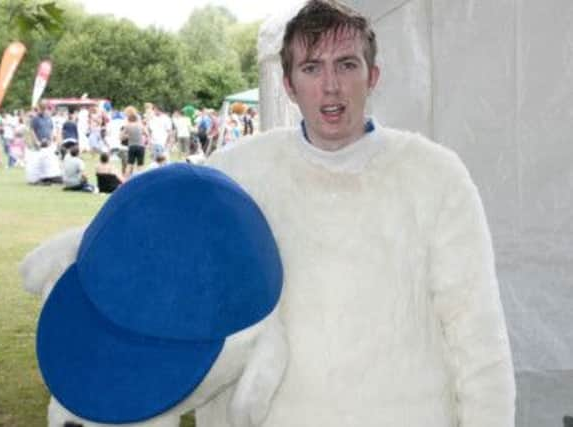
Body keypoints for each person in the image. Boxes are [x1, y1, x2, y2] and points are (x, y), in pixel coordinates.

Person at [197, 1, 515, 427]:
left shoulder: (435, 176)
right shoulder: (238, 175)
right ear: (289, 85)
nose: (331, 86)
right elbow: (199, 315)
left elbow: (476, 333)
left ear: (373, 76)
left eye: (347, 65)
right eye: (311, 68)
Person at [121, 106, 147, 177]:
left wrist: (128, 136)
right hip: (140, 145)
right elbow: (146, 133)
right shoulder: (140, 124)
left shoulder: (127, 125)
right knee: (140, 166)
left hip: (131, 146)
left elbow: (121, 137)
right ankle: (141, 179)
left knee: (129, 165)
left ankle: (125, 180)